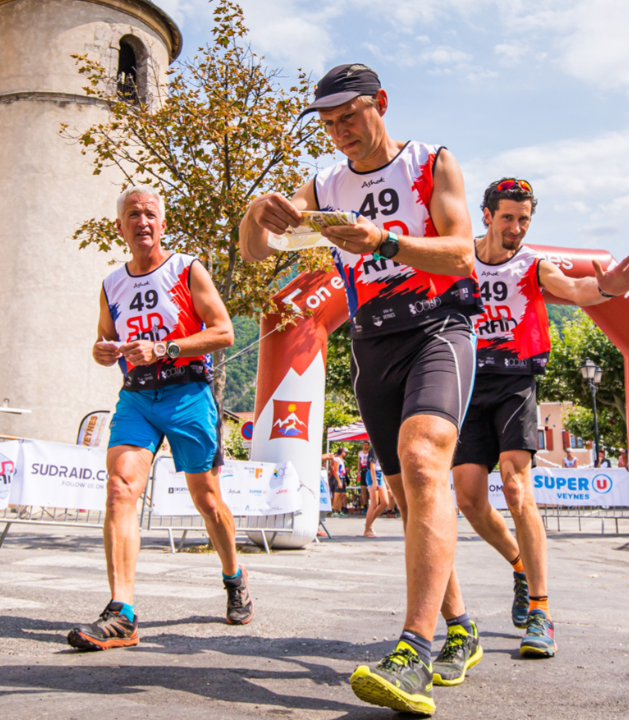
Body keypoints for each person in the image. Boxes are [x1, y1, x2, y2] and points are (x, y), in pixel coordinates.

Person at [240, 63, 483, 715]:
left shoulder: (430, 162)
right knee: (407, 493)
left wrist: (384, 241)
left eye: (349, 116)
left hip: (438, 327)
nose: (339, 131)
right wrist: (256, 214)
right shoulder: (325, 185)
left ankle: (415, 651)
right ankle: (460, 628)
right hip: (372, 342)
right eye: (328, 123)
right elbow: (258, 251)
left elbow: (462, 252)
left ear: (381, 103)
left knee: (424, 463)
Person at [449, 178, 629, 669]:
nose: (516, 228)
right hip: (468, 380)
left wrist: (607, 287)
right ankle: (520, 564)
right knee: (470, 499)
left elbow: (577, 289)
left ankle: (541, 611)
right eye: (508, 218)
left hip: (515, 380)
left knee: (516, 486)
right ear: (486, 215)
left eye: (524, 219)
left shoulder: (533, 265)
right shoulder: (460, 257)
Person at [67, 185, 248, 653]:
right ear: (120, 226)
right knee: (119, 488)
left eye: (150, 214)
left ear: (162, 224)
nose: (142, 221)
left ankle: (234, 576)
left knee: (207, 500)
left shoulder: (186, 269)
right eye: (133, 214)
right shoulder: (111, 284)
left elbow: (223, 331)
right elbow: (104, 339)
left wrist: (165, 348)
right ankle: (121, 613)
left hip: (188, 393)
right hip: (137, 398)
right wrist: (102, 351)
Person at [360, 441, 389, 537]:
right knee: (374, 503)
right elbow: (372, 466)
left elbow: (383, 467)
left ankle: (370, 523)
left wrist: (386, 482)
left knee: (385, 502)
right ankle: (366, 530)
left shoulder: (385, 450)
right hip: (372, 474)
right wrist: (374, 481)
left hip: (380, 474)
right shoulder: (375, 448)